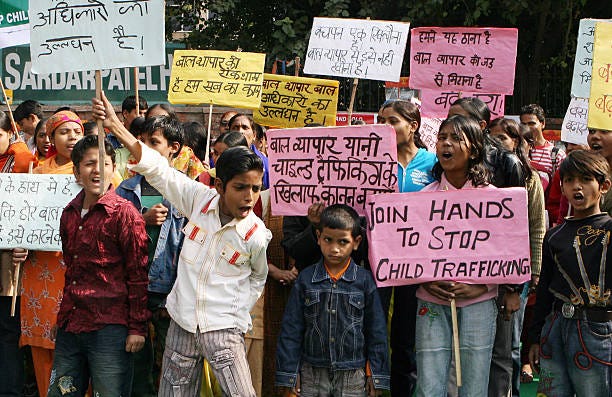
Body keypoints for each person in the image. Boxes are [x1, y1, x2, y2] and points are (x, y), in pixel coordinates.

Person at [92, 91, 272, 397]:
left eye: (255, 188)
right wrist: (117, 128)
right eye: (240, 187)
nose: (249, 196)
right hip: (182, 326)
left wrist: (235, 316)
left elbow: (258, 278)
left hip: (224, 332)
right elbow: (158, 169)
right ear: (219, 186)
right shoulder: (199, 200)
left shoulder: (256, 235)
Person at [47, 135, 149, 396]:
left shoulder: (125, 214)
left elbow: (138, 275)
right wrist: (63, 316)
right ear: (76, 171)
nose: (97, 171)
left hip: (110, 328)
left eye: (104, 163)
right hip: (72, 325)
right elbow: (72, 271)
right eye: (89, 163)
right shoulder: (69, 213)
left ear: (114, 169)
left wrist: (137, 328)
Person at [416, 115, 497, 397]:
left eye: (455, 138)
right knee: (428, 384)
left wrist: (480, 286)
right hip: (432, 301)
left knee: (474, 384)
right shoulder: (421, 199)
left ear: (474, 150)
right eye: (441, 138)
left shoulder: (496, 201)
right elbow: (409, 254)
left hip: (479, 301)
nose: (445, 144)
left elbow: (508, 252)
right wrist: (424, 281)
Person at [276, 204, 390, 397]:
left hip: (353, 374)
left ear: (356, 242)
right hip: (311, 372)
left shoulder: (364, 281)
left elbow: (376, 332)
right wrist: (289, 373)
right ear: (318, 238)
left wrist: (375, 375)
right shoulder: (305, 279)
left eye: (343, 242)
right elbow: (291, 330)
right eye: (328, 240)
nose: (335, 249)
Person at [528, 150, 612, 397]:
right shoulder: (554, 235)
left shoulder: (609, 230)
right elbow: (545, 290)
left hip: (598, 330)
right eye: (569, 180)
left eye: (586, 180)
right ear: (561, 186)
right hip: (555, 328)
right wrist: (534, 338)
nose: (577, 187)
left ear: (603, 186)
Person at [116, 116, 187, 396]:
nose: (144, 148)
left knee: (173, 368)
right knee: (137, 368)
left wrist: (180, 295)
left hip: (170, 293)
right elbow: (111, 239)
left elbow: (192, 249)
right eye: (141, 142)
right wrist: (139, 220)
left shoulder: (186, 191)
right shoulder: (125, 189)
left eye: (153, 143)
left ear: (174, 148)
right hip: (132, 292)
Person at [20, 111, 84, 397]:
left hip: (77, 269)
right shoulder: (36, 172)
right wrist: (18, 242)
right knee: (43, 347)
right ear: (50, 138)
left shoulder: (94, 173)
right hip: (40, 267)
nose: (71, 137)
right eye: (63, 132)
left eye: (77, 132)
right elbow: (20, 218)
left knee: (79, 346)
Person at [377, 99, 436, 397]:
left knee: (405, 337)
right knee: (372, 331)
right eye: (380, 120)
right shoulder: (370, 159)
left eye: (392, 121)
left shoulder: (434, 164)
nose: (384, 126)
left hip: (416, 265)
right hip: (376, 262)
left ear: (412, 126)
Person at [488, 118, 546, 396]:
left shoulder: (529, 178)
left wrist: (533, 271)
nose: (497, 144)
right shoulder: (480, 175)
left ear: (516, 143)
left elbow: (536, 226)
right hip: (482, 271)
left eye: (504, 138)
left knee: (508, 345)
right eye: (492, 137)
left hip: (515, 274)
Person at [0, 110, 36, 397]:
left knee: (6, 330)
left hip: (7, 260)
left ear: (9, 133)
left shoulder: (23, 161)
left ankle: (11, 389)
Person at [519, 104, 566, 227]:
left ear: (543, 123)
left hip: (547, 219)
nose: (528, 128)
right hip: (521, 215)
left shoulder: (557, 154)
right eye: (524, 124)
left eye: (531, 123)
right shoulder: (516, 153)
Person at [228, 114, 269, 189]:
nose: (240, 131)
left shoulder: (266, 165)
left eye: (245, 127)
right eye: (235, 127)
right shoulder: (220, 158)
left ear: (254, 135)